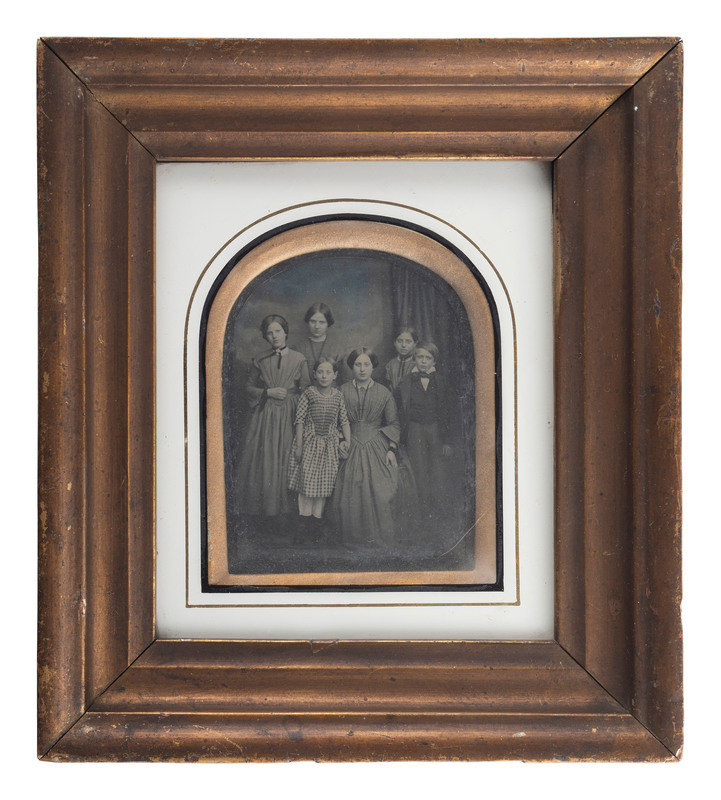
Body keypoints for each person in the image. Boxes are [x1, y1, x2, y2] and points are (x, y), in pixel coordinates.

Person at [237, 314, 310, 518]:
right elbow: (248, 387)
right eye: (269, 333)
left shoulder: (299, 359)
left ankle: (288, 513)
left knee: (288, 456)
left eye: (278, 331)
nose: (274, 336)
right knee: (266, 456)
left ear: (285, 332)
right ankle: (266, 512)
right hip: (266, 415)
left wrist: (295, 403)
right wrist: (267, 392)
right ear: (265, 336)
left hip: (291, 414)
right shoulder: (260, 359)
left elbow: (307, 390)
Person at [331, 347, 401, 548]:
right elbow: (334, 421)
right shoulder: (341, 391)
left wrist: (391, 450)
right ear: (351, 367)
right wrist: (340, 440)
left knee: (378, 488)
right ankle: (351, 538)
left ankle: (377, 537)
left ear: (373, 367)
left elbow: (393, 423)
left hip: (377, 444)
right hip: (349, 442)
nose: (362, 369)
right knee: (348, 489)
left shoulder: (384, 392)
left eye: (366, 364)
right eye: (358, 364)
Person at [287, 359, 351, 531]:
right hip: (310, 444)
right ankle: (303, 525)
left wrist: (347, 441)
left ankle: (316, 525)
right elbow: (299, 421)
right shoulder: (309, 393)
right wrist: (299, 447)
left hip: (329, 447)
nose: (324, 376)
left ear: (335, 375)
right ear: (314, 374)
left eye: (328, 372)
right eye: (320, 372)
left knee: (323, 485)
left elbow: (344, 420)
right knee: (307, 484)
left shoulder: (338, 395)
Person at [395, 341, 453, 520]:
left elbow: (448, 411)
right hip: (414, 430)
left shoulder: (441, 381)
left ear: (434, 361)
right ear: (414, 359)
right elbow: (399, 410)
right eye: (420, 357)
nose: (424, 361)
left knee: (437, 469)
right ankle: (421, 511)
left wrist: (447, 441)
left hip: (435, 430)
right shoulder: (405, 381)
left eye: (428, 358)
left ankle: (438, 512)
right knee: (418, 469)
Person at [296, 302, 347, 383]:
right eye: (313, 321)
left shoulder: (338, 349)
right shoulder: (298, 348)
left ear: (328, 323)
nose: (317, 326)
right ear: (308, 322)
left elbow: (343, 380)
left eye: (322, 322)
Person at [383, 326, 419, 392]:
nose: (403, 345)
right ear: (394, 343)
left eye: (408, 342)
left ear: (415, 343)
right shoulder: (390, 365)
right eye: (399, 341)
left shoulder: (418, 364)